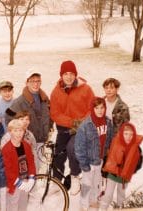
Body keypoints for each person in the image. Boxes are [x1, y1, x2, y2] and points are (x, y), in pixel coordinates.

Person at [50, 60, 95, 195]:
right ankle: (57, 181)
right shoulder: (56, 91)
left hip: (81, 129)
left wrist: (80, 123)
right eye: (65, 74)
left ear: (75, 74)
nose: (68, 76)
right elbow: (55, 114)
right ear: (61, 75)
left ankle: (75, 177)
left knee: (72, 148)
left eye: (71, 73)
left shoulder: (86, 89)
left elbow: (92, 109)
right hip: (64, 128)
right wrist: (71, 122)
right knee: (58, 153)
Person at [75, 97, 113, 211]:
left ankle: (93, 202)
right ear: (92, 109)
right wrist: (84, 165)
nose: (100, 110)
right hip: (89, 162)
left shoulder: (108, 122)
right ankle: (83, 206)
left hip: (100, 161)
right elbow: (79, 148)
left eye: (102, 107)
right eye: (97, 108)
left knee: (96, 183)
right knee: (86, 185)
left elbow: (110, 139)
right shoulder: (85, 126)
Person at [5, 72, 51, 168]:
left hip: (41, 141)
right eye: (32, 81)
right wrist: (18, 133)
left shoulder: (45, 99)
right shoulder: (19, 102)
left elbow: (50, 115)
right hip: (27, 142)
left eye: (38, 81)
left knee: (37, 170)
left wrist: (49, 128)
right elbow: (8, 117)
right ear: (26, 83)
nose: (35, 84)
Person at [99, 123, 143, 211]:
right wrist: (104, 173)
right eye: (126, 134)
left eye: (131, 134)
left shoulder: (136, 148)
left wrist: (131, 169)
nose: (128, 137)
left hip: (124, 177)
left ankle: (120, 208)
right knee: (108, 194)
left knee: (121, 194)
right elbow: (108, 158)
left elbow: (139, 162)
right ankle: (103, 208)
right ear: (121, 134)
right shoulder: (115, 144)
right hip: (112, 175)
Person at [2, 119, 36, 211]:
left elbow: (31, 162)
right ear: (10, 132)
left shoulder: (26, 145)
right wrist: (19, 183)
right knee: (13, 206)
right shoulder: (6, 149)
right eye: (15, 130)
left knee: (23, 206)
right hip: (14, 184)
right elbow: (7, 170)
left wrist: (32, 178)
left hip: (25, 181)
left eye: (20, 130)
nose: (18, 133)